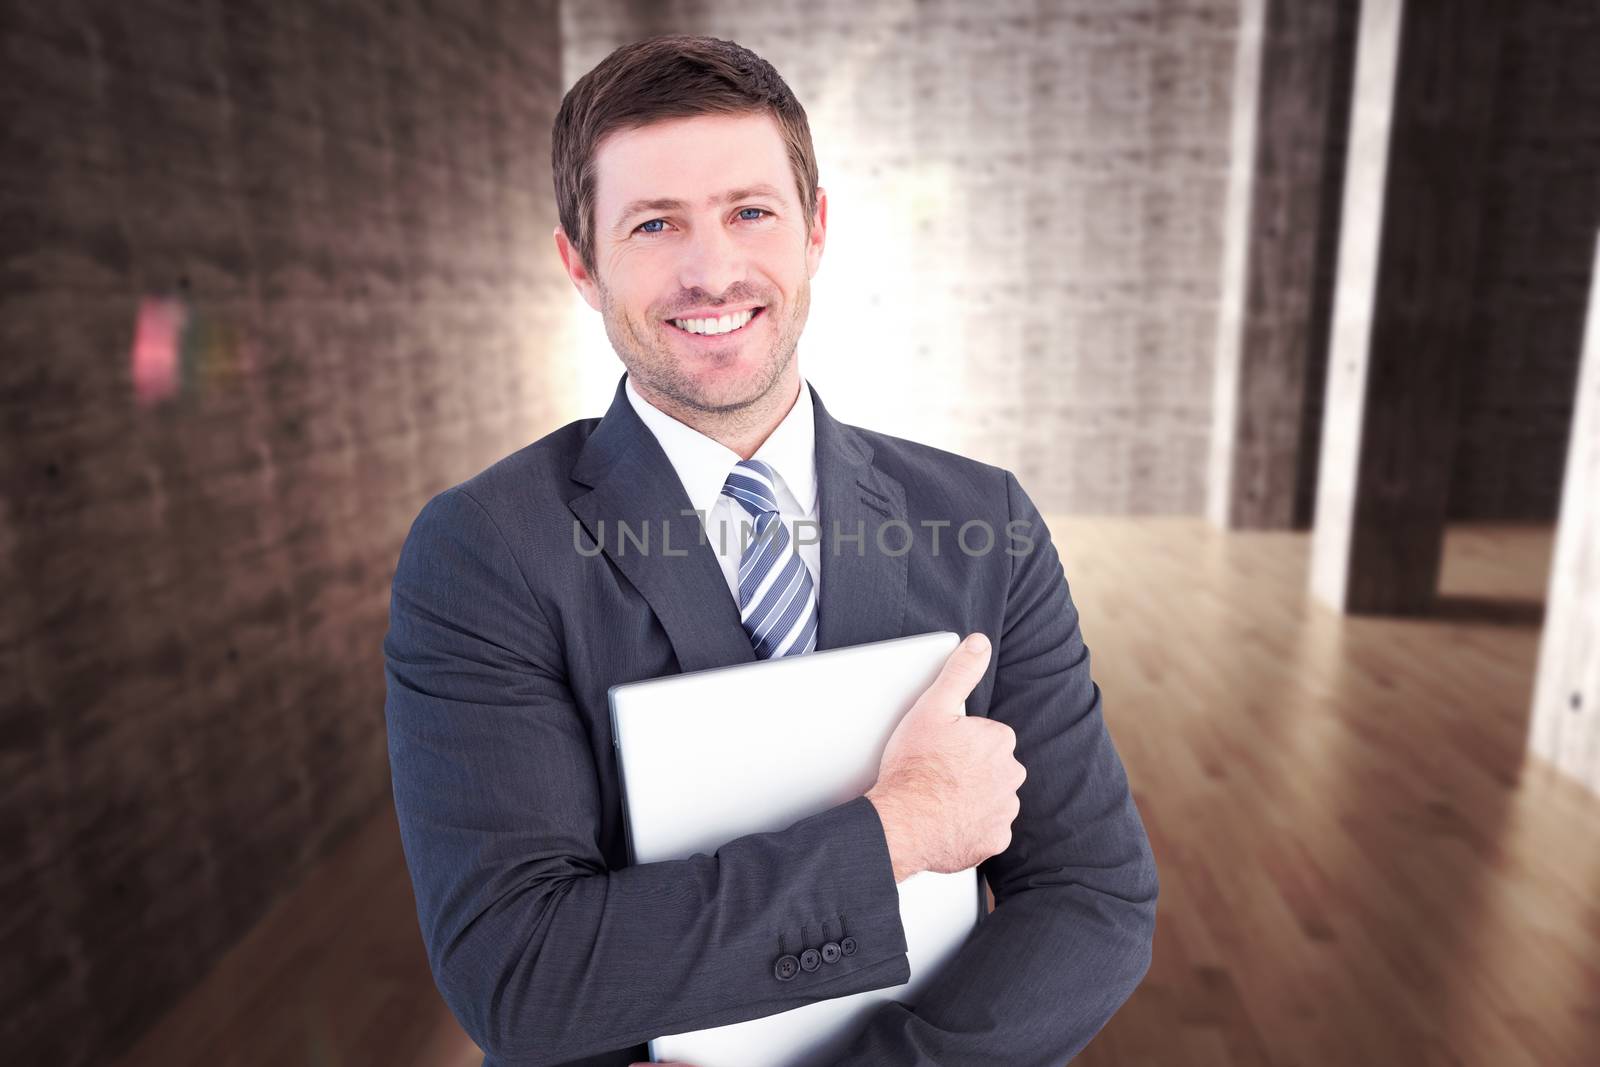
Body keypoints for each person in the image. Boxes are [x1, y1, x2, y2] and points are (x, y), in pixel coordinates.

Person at [383, 33, 1158, 1067]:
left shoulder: (986, 519)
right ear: (580, 262)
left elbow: (1091, 894)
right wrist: (898, 829)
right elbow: (521, 975)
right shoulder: (485, 550)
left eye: (750, 212)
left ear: (815, 230)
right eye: (654, 224)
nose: (712, 271)